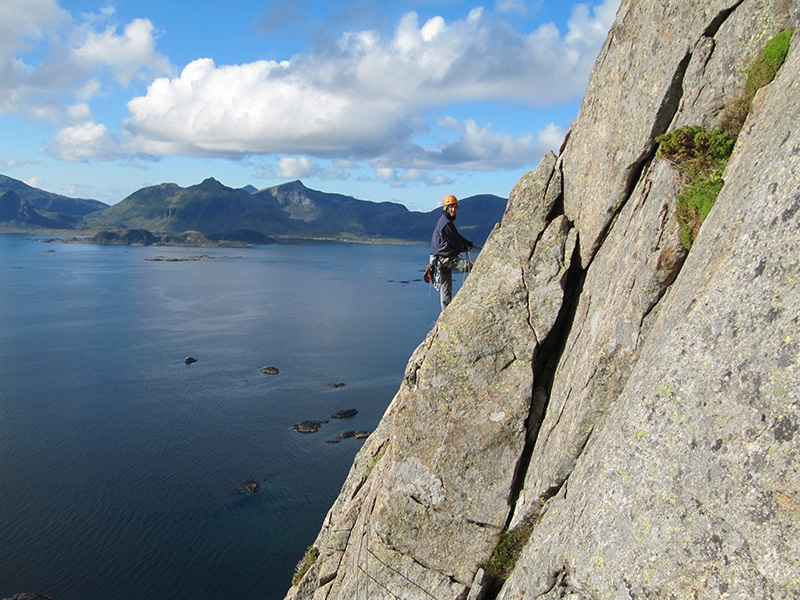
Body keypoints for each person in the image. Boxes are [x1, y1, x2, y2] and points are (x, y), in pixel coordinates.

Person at [427, 194, 480, 310]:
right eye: (451, 207)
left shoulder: (445, 222)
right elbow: (456, 242)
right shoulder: (446, 224)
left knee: (445, 290)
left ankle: (445, 313)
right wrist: (465, 247)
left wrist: (470, 244)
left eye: (455, 207)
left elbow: (456, 236)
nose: (454, 209)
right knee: (474, 268)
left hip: (440, 261)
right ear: (446, 208)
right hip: (446, 260)